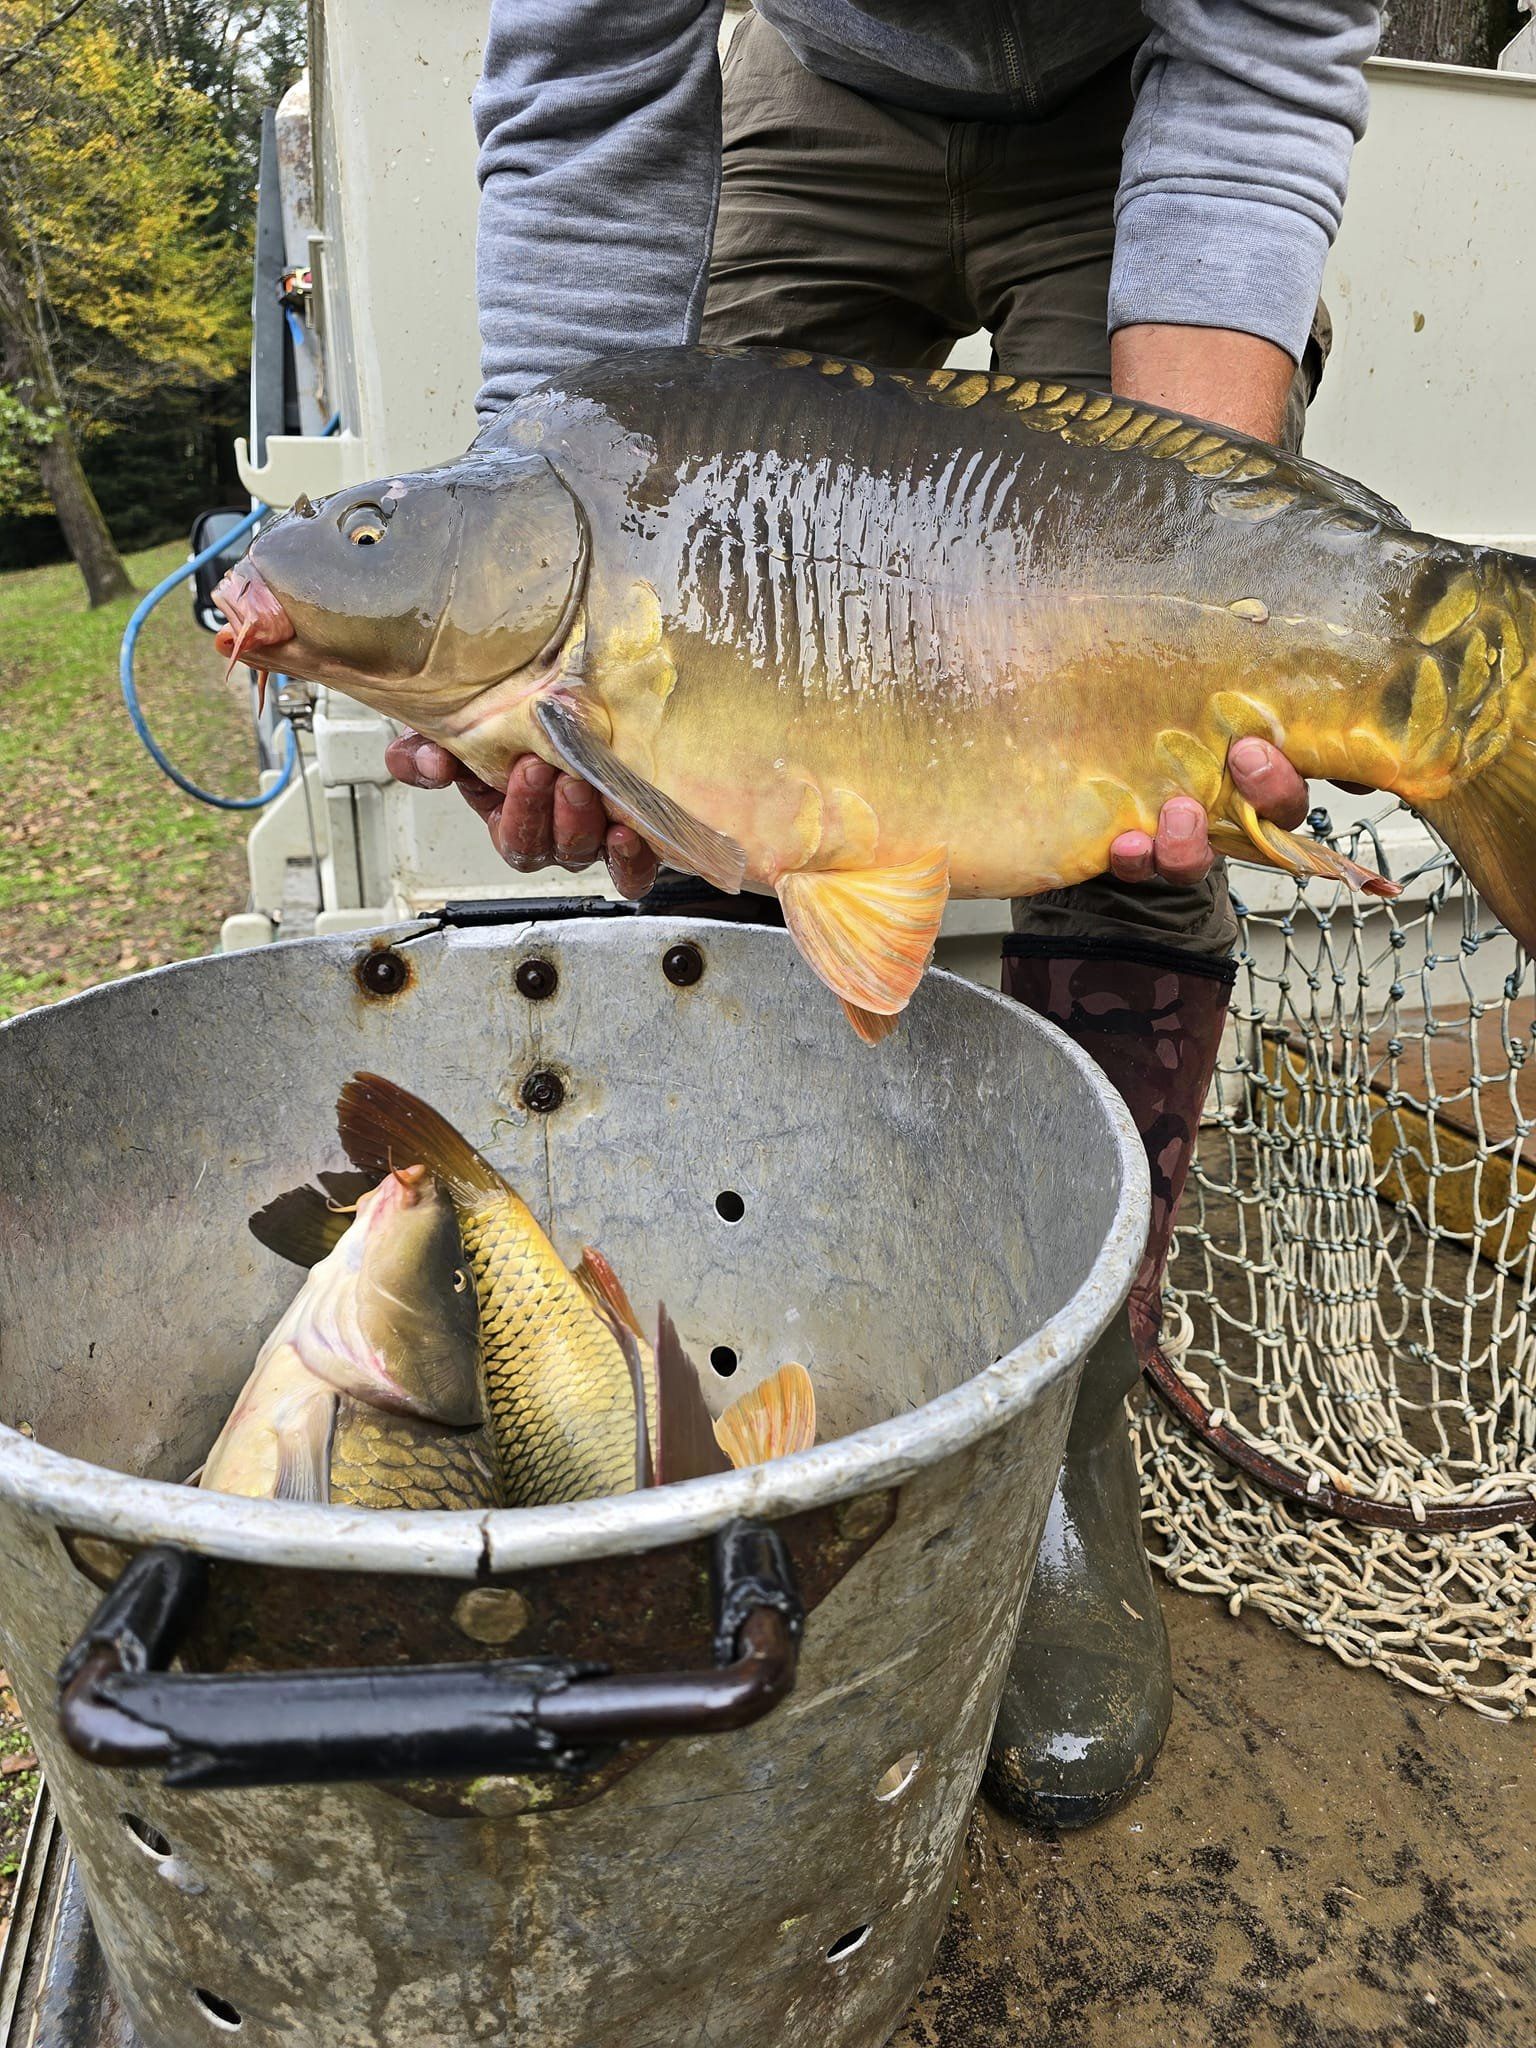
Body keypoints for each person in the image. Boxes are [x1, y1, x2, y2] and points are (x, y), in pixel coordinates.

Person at [389, 0, 1380, 1828]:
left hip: (1155, 80)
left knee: (1127, 771)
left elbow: (1259, 73)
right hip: (813, 70)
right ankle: (721, 1358)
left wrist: (1150, 613)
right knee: (708, 654)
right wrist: (553, 581)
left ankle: (1070, 1439)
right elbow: (591, 73)